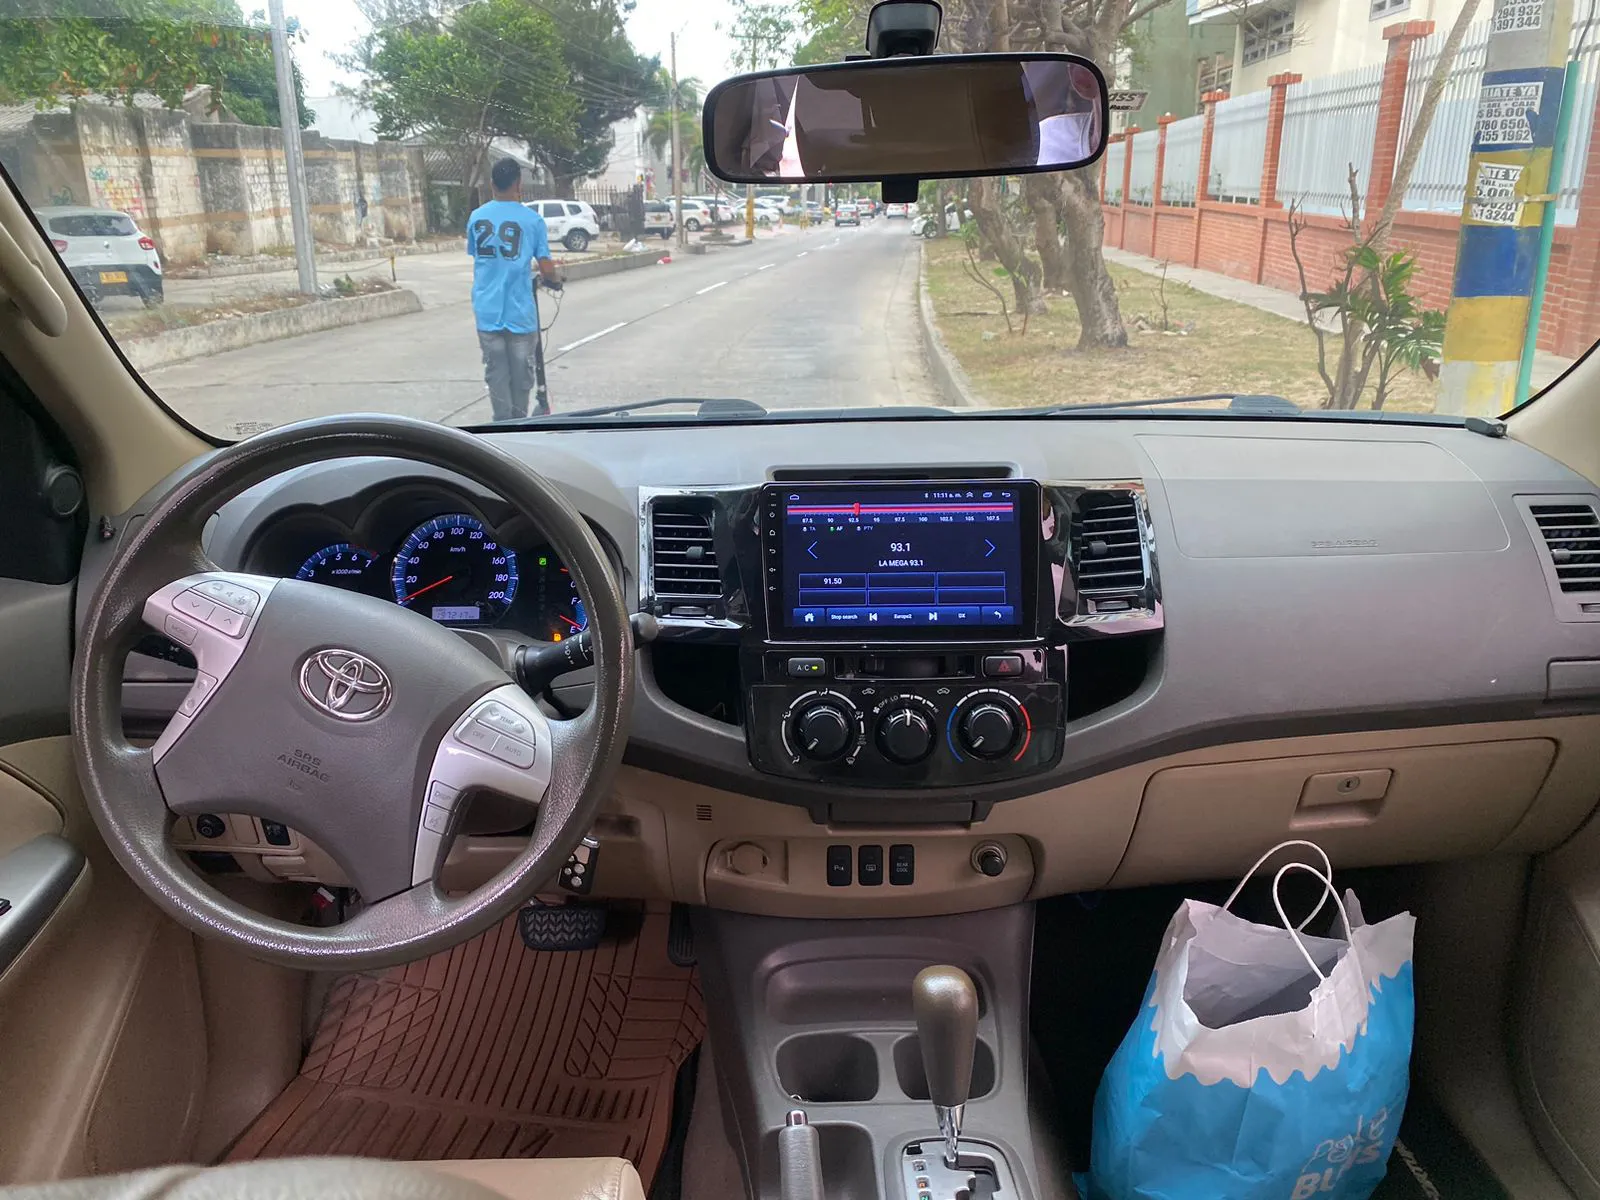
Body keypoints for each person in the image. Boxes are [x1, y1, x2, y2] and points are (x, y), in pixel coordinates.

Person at [467, 157, 561, 421]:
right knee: (522, 375)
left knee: (496, 372)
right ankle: (518, 424)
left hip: (487, 310)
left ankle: (501, 424)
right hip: (519, 313)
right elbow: (545, 266)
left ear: (492, 184)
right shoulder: (532, 220)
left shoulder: (476, 217)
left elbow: (478, 256)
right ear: (518, 184)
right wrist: (554, 278)